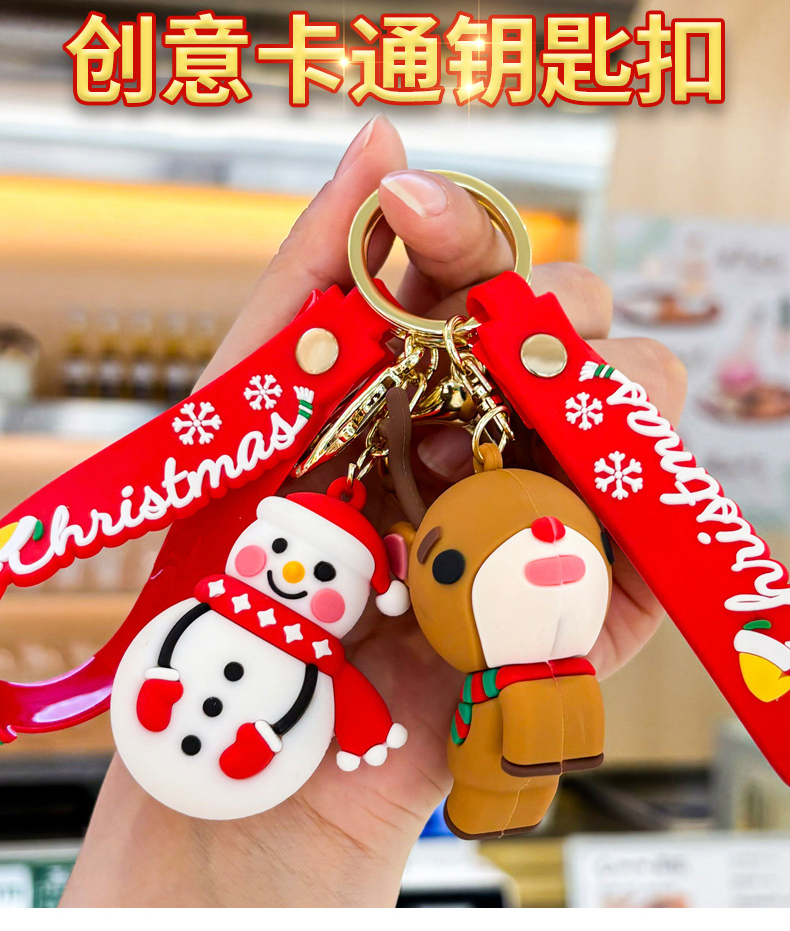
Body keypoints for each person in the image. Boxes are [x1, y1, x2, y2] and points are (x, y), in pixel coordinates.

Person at [60, 116, 686, 907]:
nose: (294, 576)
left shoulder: (330, 662)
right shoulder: (212, 608)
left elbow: (348, 709)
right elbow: (171, 640)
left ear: (392, 576)